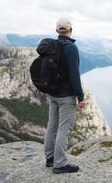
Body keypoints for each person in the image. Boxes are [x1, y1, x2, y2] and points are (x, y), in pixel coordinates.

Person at [44, 18, 85, 174]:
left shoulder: (52, 46)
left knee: (52, 125)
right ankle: (60, 164)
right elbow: (75, 75)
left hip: (52, 93)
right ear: (71, 30)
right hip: (66, 96)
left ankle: (49, 158)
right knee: (64, 129)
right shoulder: (71, 48)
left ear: (56, 31)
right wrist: (80, 96)